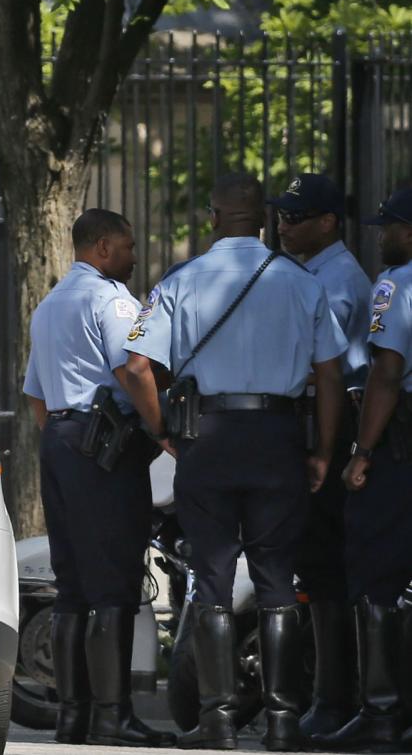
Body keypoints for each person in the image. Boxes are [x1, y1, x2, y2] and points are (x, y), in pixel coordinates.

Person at [118, 173, 348, 752]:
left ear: (214, 218)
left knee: (214, 581)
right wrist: (321, 449)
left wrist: (162, 429)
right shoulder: (301, 283)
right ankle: (282, 720)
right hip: (278, 439)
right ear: (264, 219)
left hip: (209, 438)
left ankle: (218, 719)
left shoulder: (181, 280)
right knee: (276, 582)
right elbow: (330, 375)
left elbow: (138, 365)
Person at [22, 209, 171, 747]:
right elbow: (133, 368)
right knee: (113, 583)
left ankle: (73, 716)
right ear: (103, 247)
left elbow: (36, 395)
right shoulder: (110, 299)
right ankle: (113, 717)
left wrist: (69, 438)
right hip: (102, 447)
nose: (135, 257)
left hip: (60, 440)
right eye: (129, 247)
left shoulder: (50, 304)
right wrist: (162, 430)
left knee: (73, 588)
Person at [275, 174, 375, 741]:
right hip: (316, 423)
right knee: (315, 568)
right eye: (283, 216)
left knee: (327, 569)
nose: (284, 226)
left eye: (297, 217)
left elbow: (325, 366)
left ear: (329, 222)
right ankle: (328, 697)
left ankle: (335, 700)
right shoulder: (309, 274)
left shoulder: (337, 280)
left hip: (334, 428)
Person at [318, 187, 412, 751]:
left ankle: (381, 714)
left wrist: (363, 451)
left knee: (376, 572)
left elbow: (385, 373)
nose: (382, 237)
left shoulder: (394, 285)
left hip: (401, 447)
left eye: (392, 227)